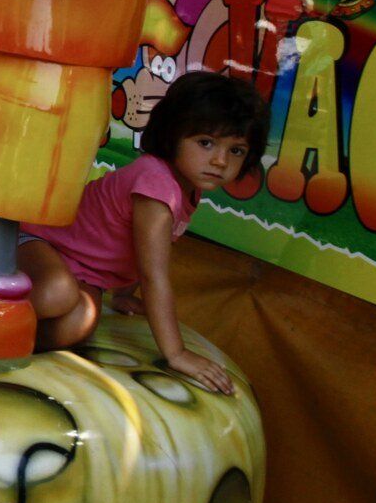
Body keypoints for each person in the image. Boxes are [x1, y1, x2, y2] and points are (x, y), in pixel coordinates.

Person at [19, 71, 268, 392]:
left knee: (77, 325)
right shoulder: (156, 182)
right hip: (41, 243)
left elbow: (140, 248)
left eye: (236, 150)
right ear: (172, 135)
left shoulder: (187, 189)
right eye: (206, 143)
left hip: (84, 273)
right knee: (57, 293)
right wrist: (176, 353)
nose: (220, 160)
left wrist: (122, 295)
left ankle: (1, 342)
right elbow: (155, 274)